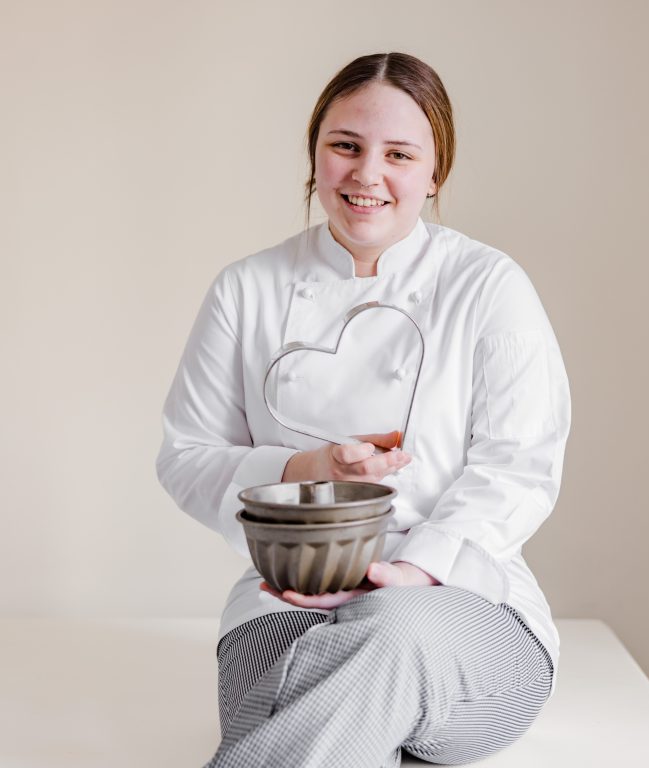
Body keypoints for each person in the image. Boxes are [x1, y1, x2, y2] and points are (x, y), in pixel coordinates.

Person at [157, 51, 571, 768]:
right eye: (345, 145)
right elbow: (186, 455)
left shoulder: (487, 286)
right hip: (285, 604)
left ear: (435, 172)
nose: (366, 175)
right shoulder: (246, 289)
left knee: (392, 632)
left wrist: (412, 572)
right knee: (344, 711)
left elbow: (520, 466)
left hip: (463, 603)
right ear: (315, 153)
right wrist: (306, 467)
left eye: (400, 154)